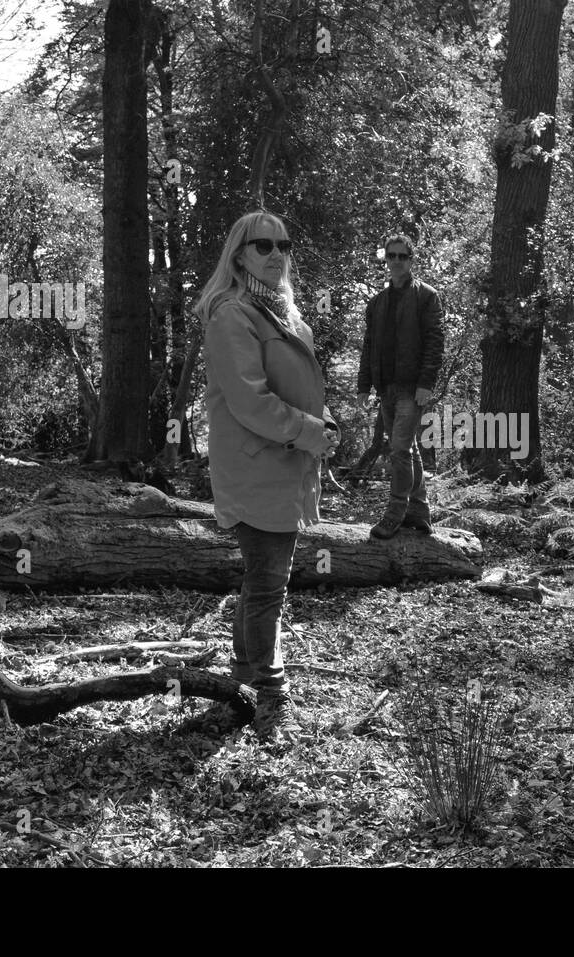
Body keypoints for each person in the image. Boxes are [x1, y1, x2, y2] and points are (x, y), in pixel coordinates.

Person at [188, 210, 338, 740]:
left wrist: (319, 428)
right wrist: (311, 431)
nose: (276, 253)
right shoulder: (232, 313)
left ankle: (244, 682)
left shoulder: (285, 315)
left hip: (286, 466)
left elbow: (296, 388)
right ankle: (272, 696)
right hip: (256, 468)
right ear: (238, 254)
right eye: (262, 245)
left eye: (283, 244)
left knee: (261, 582)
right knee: (270, 585)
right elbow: (250, 402)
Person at [355, 233, 445, 538]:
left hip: (412, 387)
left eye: (402, 256)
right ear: (386, 260)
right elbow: (369, 347)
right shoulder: (377, 303)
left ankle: (395, 512)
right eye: (391, 256)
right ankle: (419, 512)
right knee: (409, 451)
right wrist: (363, 386)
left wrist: (426, 383)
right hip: (386, 387)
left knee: (399, 451)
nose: (396, 261)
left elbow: (435, 342)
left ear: (411, 260)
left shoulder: (426, 296)